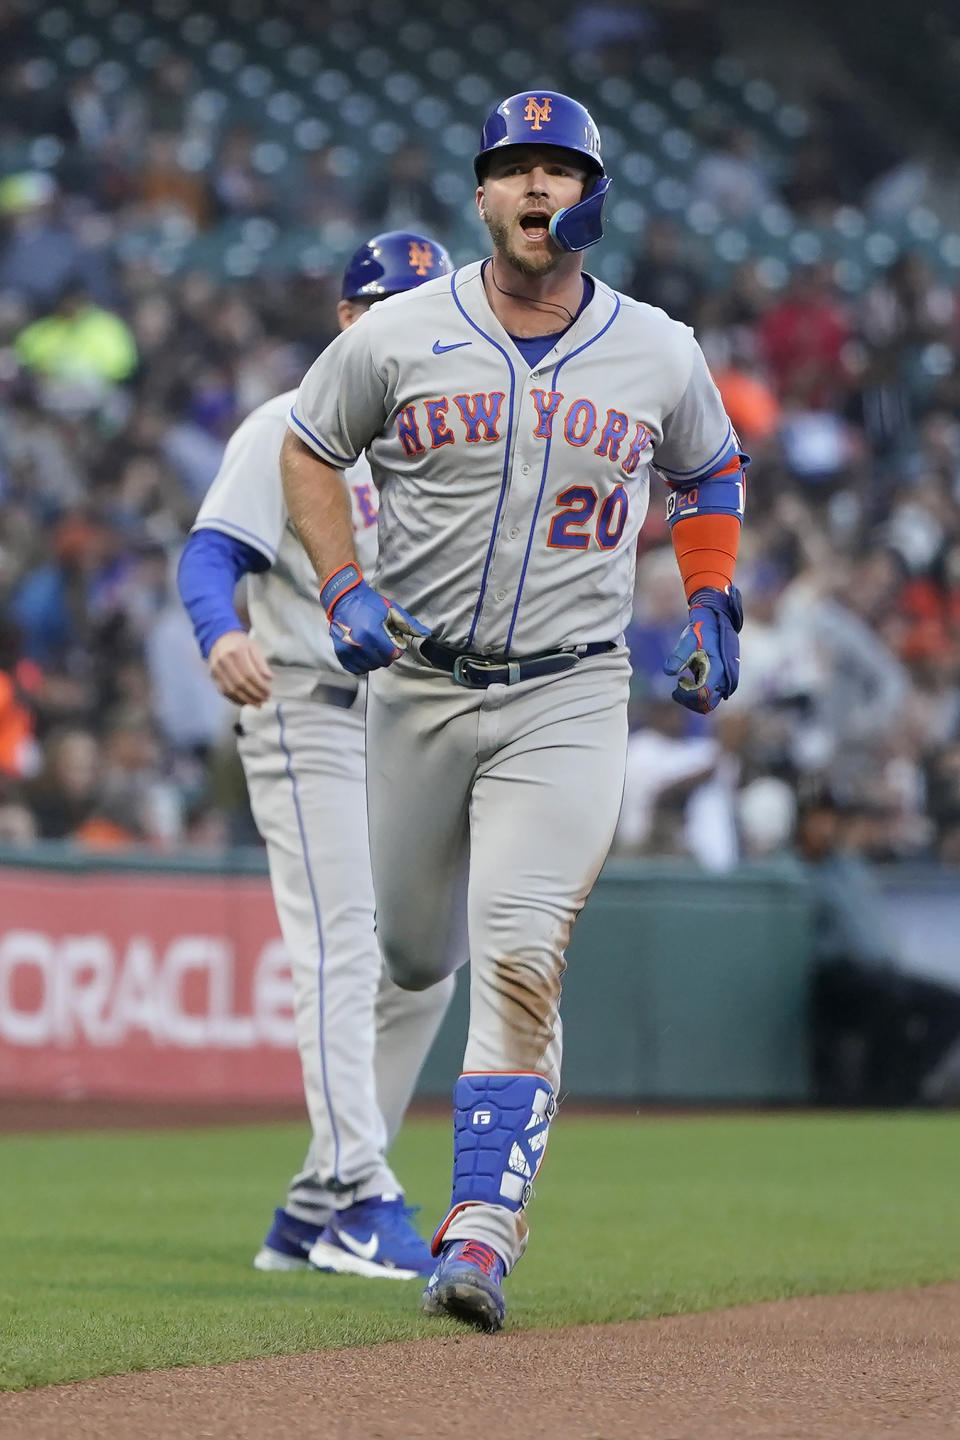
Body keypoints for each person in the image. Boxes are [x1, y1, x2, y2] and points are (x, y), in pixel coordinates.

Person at [280, 92, 747, 1330]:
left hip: (571, 689)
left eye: (557, 167)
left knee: (524, 955)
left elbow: (708, 467)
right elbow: (310, 447)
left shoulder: (658, 347)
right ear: (481, 196)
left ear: (591, 192)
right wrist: (340, 583)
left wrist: (708, 597)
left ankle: (480, 1231)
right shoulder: (399, 335)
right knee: (413, 953)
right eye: (511, 170)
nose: (534, 187)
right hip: (421, 687)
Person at [178, 231, 457, 1281]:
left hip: (407, 723)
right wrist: (221, 631)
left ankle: (312, 1201)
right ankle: (356, 1193)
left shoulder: (443, 447)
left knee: (424, 967)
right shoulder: (289, 424)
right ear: (349, 322)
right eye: (393, 308)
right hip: (306, 704)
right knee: (342, 943)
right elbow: (212, 553)